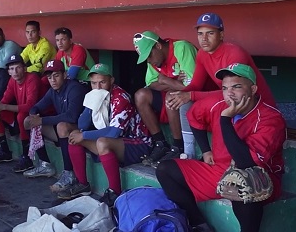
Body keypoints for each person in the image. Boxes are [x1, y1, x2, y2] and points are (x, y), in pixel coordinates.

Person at [157, 63, 285, 232]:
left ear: (253, 89)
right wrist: (206, 149)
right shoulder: (219, 103)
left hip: (259, 177)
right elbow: (193, 116)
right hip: (219, 171)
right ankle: (201, 228)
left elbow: (246, 162)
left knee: (241, 181)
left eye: (236, 87)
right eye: (225, 88)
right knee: (165, 169)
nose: (229, 93)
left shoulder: (270, 118)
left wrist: (225, 119)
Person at [61, 64, 152, 206]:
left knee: (101, 142)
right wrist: (91, 106)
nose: (97, 87)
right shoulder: (95, 95)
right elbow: (82, 125)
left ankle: (114, 192)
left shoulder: (120, 98)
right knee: (74, 136)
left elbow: (114, 132)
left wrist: (84, 136)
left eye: (102, 82)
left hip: (139, 143)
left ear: (111, 80)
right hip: (119, 143)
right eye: (93, 83)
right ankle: (82, 184)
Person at [166, 12, 276, 111]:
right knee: (182, 102)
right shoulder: (202, 54)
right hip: (231, 100)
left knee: (196, 105)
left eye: (210, 33)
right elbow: (196, 85)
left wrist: (190, 95)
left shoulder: (235, 53)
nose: (204, 38)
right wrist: (180, 94)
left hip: (256, 105)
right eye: (200, 33)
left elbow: (232, 92)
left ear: (221, 35)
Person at [132, 31, 198, 165]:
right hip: (175, 94)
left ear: (158, 46)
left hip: (196, 96)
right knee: (141, 95)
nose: (149, 61)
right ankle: (160, 143)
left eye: (149, 55)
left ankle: (178, 146)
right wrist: (172, 82)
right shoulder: (153, 60)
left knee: (170, 95)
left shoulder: (182, 48)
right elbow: (151, 83)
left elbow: (190, 85)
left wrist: (164, 80)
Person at [23, 60, 88, 193]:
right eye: (49, 77)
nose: (52, 80)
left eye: (56, 75)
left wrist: (41, 120)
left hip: (83, 132)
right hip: (64, 133)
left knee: (61, 126)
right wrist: (33, 115)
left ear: (64, 75)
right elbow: (37, 106)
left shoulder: (74, 88)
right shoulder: (53, 91)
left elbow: (72, 116)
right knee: (27, 122)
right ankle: (45, 164)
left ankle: (69, 174)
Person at [0, 54, 44, 173]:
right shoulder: (12, 80)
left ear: (25, 68)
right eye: (11, 69)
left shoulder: (32, 78)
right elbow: (5, 99)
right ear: (8, 72)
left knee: (22, 116)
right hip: (23, 114)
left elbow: (30, 106)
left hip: (40, 113)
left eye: (18, 67)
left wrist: (4, 106)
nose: (14, 71)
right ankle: (5, 150)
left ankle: (27, 157)